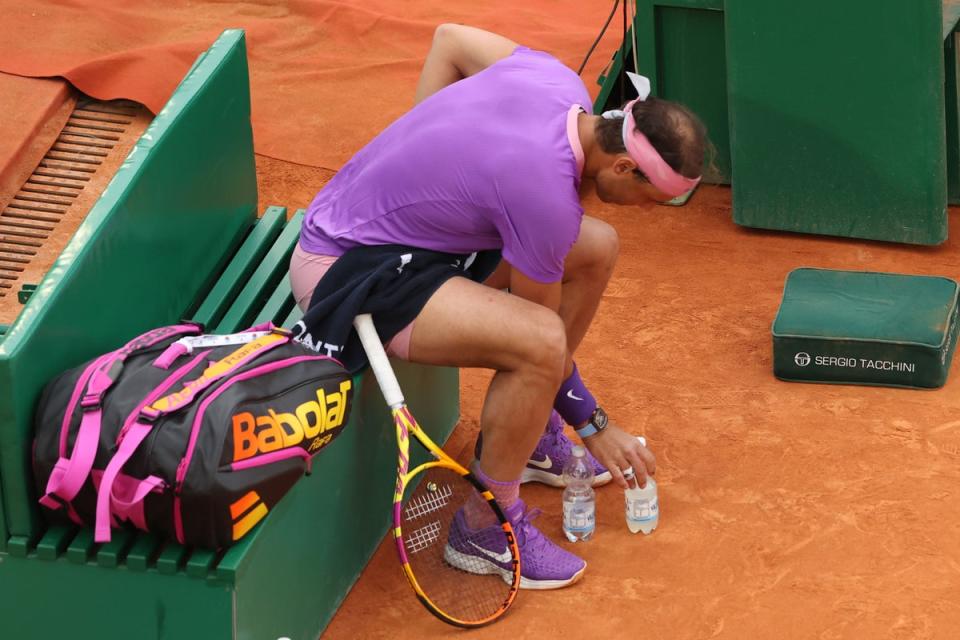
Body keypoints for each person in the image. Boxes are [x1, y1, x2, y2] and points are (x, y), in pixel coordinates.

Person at [289, 24, 707, 589]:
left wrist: (422, 144)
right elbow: (542, 333)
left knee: (598, 248)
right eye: (649, 199)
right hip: (350, 270)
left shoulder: (561, 84)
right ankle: (485, 526)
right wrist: (595, 425)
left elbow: (450, 41)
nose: (647, 210)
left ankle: (529, 437)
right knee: (538, 345)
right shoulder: (543, 193)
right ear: (624, 166)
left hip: (423, 240)